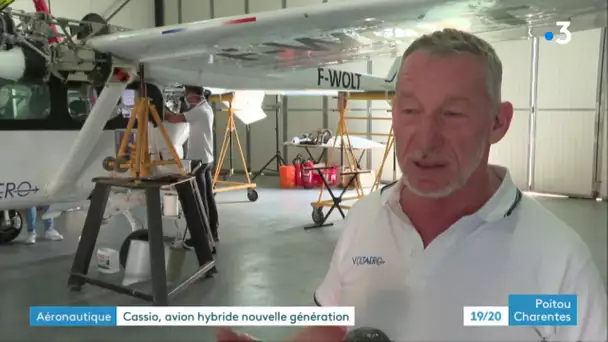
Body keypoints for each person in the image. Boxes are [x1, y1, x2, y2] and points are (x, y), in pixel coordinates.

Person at [216, 29, 607, 342]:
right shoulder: (366, 218)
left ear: (497, 123)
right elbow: (333, 327)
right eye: (409, 110)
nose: (425, 138)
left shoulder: (559, 261)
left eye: (452, 114)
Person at [165, 86, 220, 247]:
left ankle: (201, 238)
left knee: (199, 201)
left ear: (195, 97)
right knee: (209, 198)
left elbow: (173, 119)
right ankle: (213, 233)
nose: (187, 101)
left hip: (198, 161)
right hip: (207, 159)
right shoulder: (206, 108)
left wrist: (158, 110)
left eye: (187, 97)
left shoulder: (198, 112)